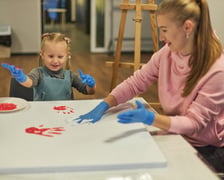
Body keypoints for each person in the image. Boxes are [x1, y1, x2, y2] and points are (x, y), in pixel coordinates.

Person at [75, 0, 224, 174]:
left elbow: (193, 124)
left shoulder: (217, 70)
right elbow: (135, 82)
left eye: (165, 30)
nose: (161, 38)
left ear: (187, 27)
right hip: (177, 135)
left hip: (207, 148)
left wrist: (151, 119)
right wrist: (106, 103)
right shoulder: (166, 54)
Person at [1, 32, 96, 101]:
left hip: (64, 115)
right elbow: (29, 82)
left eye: (60, 57)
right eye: (50, 56)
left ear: (67, 56)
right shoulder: (38, 73)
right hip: (42, 115)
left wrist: (91, 85)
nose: (55, 61)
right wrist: (21, 78)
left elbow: (89, 91)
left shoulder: (71, 76)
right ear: (42, 55)